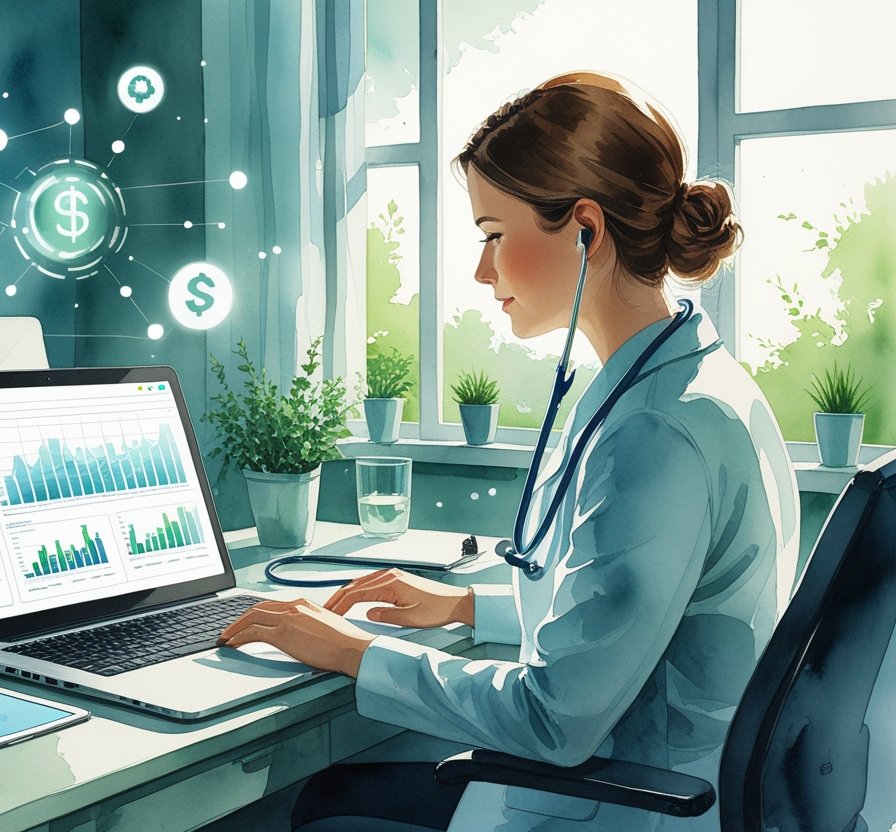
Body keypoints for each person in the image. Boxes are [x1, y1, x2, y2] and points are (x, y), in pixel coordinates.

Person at [217, 71, 800, 831]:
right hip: (669, 776)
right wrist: (466, 604)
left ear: (586, 230)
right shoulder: (690, 380)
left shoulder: (658, 434)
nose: (482, 272)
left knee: (319, 809)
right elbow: (632, 615)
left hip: (629, 806)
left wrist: (353, 651)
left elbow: (555, 720)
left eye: (494, 235)